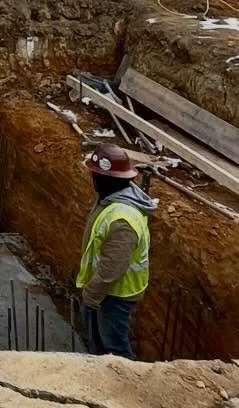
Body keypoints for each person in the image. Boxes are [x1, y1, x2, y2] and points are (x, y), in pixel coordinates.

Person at [74, 143, 156, 358]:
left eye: (94, 175)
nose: (92, 179)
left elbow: (113, 267)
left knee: (114, 347)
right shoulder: (111, 200)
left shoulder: (121, 218)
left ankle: (124, 384)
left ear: (104, 178)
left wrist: (91, 295)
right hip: (107, 289)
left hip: (115, 293)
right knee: (100, 343)